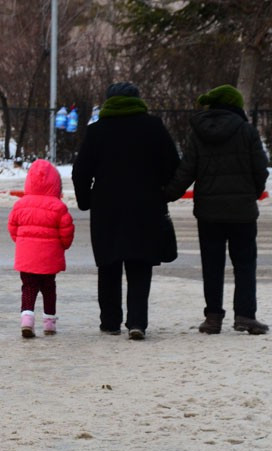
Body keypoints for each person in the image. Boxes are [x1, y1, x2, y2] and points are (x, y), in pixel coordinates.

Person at [72, 82, 180, 340]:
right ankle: (137, 323)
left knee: (109, 265)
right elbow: (173, 166)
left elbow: (80, 172)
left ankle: (110, 322)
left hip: (107, 208)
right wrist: (162, 193)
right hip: (146, 205)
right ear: (138, 100)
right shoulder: (153, 127)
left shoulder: (97, 131)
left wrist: (86, 200)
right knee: (140, 264)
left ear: (108, 101)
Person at [164, 85, 269, 335]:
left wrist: (165, 195)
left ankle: (213, 317)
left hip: (208, 212)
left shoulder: (198, 133)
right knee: (244, 263)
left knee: (212, 263)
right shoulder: (247, 131)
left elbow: (186, 171)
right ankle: (245, 315)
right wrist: (251, 193)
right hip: (242, 211)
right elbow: (260, 169)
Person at [8, 158, 75, 337]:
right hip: (49, 258)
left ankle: (27, 319)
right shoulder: (59, 207)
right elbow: (67, 233)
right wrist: (62, 247)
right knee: (49, 288)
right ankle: (49, 323)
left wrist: (22, 243)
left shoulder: (20, 204)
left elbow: (13, 228)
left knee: (28, 288)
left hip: (27, 257)